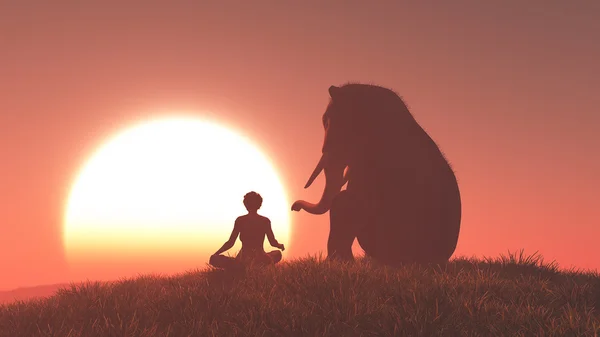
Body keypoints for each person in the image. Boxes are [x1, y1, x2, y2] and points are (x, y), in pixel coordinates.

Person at [210, 191, 285, 269]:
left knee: (214, 259)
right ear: (259, 205)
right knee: (277, 253)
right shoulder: (265, 221)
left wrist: (216, 254)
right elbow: (272, 242)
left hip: (243, 259)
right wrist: (280, 245)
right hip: (261, 258)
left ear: (245, 204)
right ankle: (257, 266)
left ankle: (241, 267)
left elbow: (230, 243)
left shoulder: (240, 220)